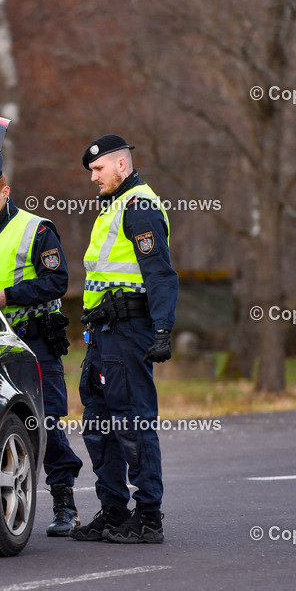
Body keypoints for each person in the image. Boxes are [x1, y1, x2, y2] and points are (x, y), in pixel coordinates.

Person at [69, 134, 178, 544]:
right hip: (103, 333)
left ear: (121, 164)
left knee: (133, 422)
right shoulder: (112, 208)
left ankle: (149, 517)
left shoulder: (139, 207)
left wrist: (163, 329)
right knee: (98, 422)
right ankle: (114, 511)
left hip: (130, 331)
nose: (93, 177)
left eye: (97, 169)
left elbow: (161, 274)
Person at [0, 174, 83, 537]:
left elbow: (57, 280)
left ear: (6, 192)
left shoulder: (36, 230)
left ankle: (65, 504)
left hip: (33, 342)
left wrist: (7, 295)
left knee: (43, 421)